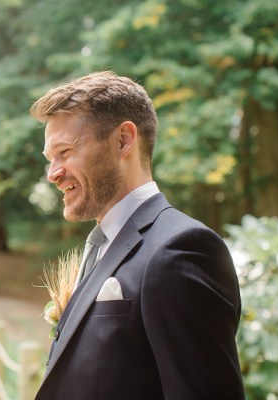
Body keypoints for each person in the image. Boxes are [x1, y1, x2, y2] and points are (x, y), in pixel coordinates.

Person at [30, 71, 244, 399]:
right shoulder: (101, 246)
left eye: (65, 152)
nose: (53, 174)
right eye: (50, 159)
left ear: (123, 140)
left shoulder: (180, 250)